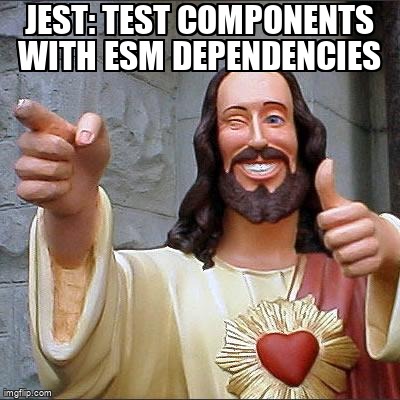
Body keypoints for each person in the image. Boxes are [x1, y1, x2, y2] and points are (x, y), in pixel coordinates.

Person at [14, 71, 400, 399]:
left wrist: (394, 255)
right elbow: (82, 355)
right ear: (211, 145)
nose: (258, 139)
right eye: (235, 121)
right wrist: (73, 216)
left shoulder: (363, 285)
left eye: (275, 118)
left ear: (302, 139)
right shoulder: (161, 283)